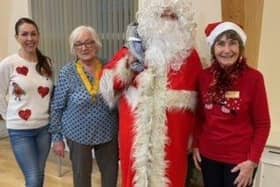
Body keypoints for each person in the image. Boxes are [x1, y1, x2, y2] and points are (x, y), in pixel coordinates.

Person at [100, 0, 202, 186]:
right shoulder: (133, 50)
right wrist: (128, 67)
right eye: (164, 15)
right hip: (136, 136)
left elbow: (201, 105)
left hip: (174, 140)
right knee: (135, 179)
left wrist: (194, 139)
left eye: (174, 16)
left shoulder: (191, 57)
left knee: (171, 179)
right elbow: (108, 86)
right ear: (153, 19)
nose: (168, 22)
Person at [192, 21, 271, 187]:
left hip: (240, 161)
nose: (227, 50)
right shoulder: (203, 77)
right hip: (209, 157)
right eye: (220, 44)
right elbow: (199, 117)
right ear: (213, 48)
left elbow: (263, 124)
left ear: (240, 47)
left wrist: (252, 161)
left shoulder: (254, 78)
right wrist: (196, 145)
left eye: (232, 43)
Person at [48, 25, 119, 187]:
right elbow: (57, 107)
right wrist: (57, 138)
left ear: (97, 44)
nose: (84, 47)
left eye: (89, 42)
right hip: (77, 133)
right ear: (74, 48)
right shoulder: (67, 72)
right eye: (79, 44)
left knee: (110, 175)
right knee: (81, 178)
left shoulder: (110, 67)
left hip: (107, 131)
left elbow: (120, 99)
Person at [0, 17, 53, 187]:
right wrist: (8, 118)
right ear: (17, 37)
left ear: (39, 36)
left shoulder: (47, 63)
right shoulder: (8, 63)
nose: (29, 38)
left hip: (44, 129)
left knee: (39, 173)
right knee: (33, 177)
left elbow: (48, 95)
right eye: (24, 34)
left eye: (33, 34)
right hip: (20, 131)